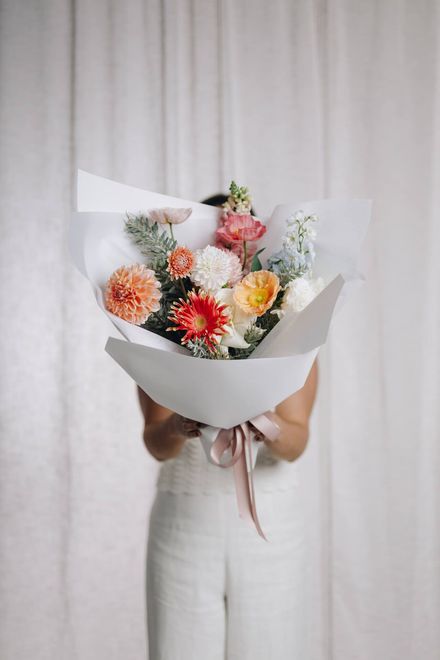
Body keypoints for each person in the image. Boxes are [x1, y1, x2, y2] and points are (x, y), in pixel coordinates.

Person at [138, 194, 318, 660]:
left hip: (271, 523)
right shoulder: (159, 334)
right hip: (182, 521)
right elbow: (155, 442)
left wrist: (266, 424)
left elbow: (297, 440)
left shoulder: (290, 328)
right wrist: (180, 424)